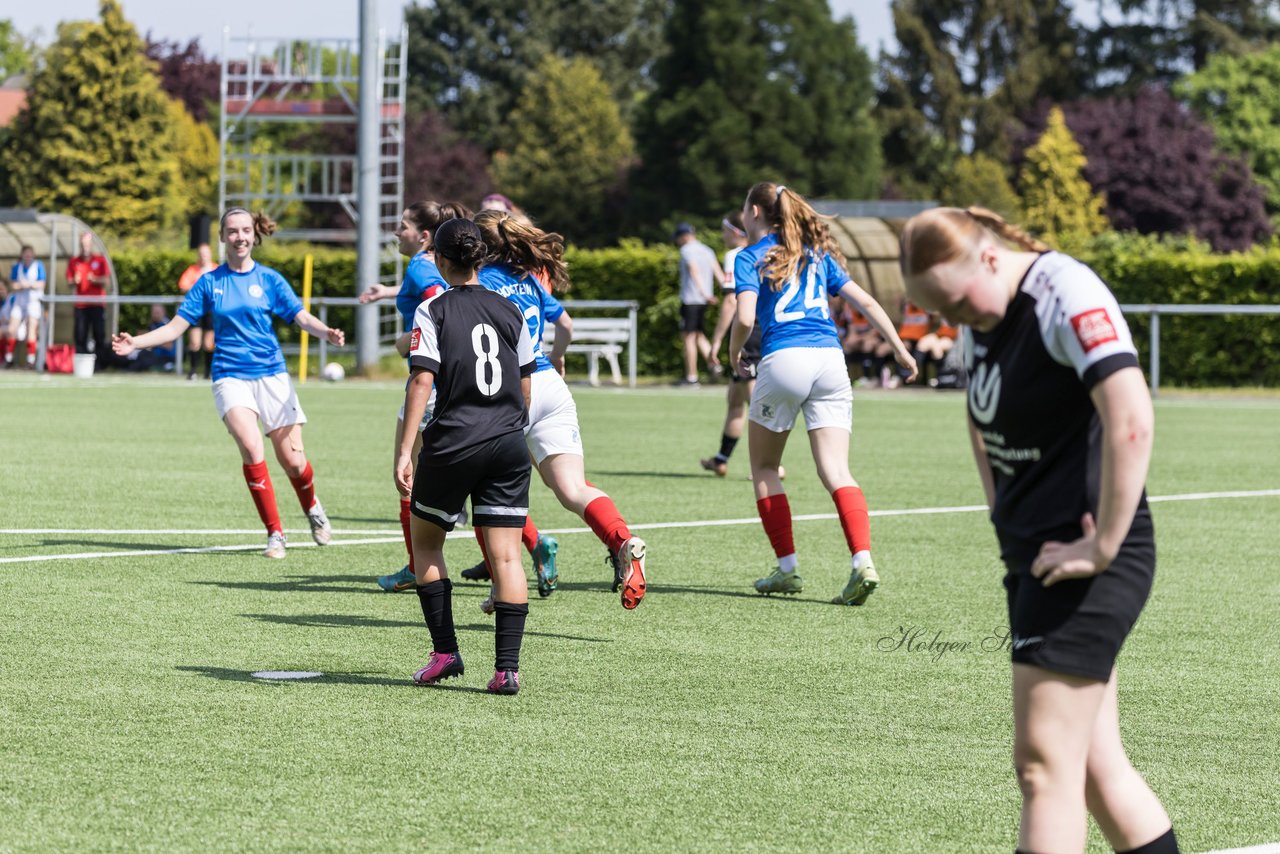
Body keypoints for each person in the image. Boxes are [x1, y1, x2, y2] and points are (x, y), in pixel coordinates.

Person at [900, 206, 1178, 854]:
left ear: (990, 258)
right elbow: (980, 419)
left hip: (1083, 558)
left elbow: (1131, 417)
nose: (954, 321)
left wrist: (1104, 543)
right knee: (1093, 769)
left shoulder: (1064, 292)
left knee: (1041, 765)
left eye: (956, 301)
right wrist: (1002, 512)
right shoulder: (984, 311)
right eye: (940, 311)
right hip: (1035, 553)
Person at [112, 209, 345, 559]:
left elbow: (300, 316)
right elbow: (176, 326)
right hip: (229, 375)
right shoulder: (209, 283)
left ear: (254, 235)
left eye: (246, 230)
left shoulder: (269, 280)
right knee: (252, 447)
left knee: (293, 461)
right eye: (232, 231)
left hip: (272, 375)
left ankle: (312, 507)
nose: (240, 237)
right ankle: (275, 534)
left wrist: (324, 332)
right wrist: (137, 342)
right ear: (222, 237)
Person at [728, 182, 917, 604]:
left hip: (784, 360)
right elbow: (865, 300)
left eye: (744, 209)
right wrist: (900, 349)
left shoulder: (749, 256)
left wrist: (733, 350)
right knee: (837, 471)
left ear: (756, 211)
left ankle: (788, 569)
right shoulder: (818, 254)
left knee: (763, 467)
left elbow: (743, 314)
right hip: (831, 362)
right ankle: (862, 562)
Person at [359, 202, 558, 595]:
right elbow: (525, 380)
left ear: (428, 240)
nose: (397, 233)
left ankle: (417, 565)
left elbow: (436, 300)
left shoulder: (425, 276)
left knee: (411, 479)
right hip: (502, 422)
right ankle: (530, 550)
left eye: (402, 226)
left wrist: (405, 340)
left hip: (441, 389)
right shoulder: (505, 306)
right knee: (494, 503)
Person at [473, 209, 648, 610]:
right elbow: (565, 324)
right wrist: (557, 356)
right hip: (549, 382)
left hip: (509, 390)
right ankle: (623, 541)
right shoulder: (529, 280)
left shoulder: (481, 282)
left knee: (484, 490)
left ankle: (503, 585)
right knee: (573, 489)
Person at [395, 217, 538, 695]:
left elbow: (421, 380)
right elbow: (525, 382)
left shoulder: (432, 309)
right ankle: (507, 670)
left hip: (455, 441)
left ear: (437, 258)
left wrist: (404, 449)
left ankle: (445, 654)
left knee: (428, 543)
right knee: (507, 557)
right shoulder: (509, 308)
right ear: (481, 257)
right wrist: (513, 428)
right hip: (508, 442)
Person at [701, 212, 778, 478]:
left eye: (725, 230)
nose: (722, 236)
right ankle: (721, 458)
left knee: (755, 402)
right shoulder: (770, 251)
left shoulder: (736, 256)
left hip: (749, 332)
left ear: (737, 231)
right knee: (735, 399)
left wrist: (717, 340)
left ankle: (771, 465)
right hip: (761, 328)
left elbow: (732, 302)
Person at [674, 223, 722, 386]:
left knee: (688, 337)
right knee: (698, 334)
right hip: (703, 301)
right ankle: (714, 364)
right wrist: (728, 291)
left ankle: (691, 377)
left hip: (691, 299)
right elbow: (718, 272)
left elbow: (693, 271)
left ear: (684, 236)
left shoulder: (686, 250)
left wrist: (704, 293)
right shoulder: (707, 250)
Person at [67, 232, 111, 368]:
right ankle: (82, 365)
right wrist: (74, 281)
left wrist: (95, 279)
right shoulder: (74, 261)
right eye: (82, 243)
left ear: (91, 245)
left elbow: (107, 281)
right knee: (80, 335)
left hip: (97, 304)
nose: (85, 246)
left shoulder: (100, 260)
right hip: (81, 305)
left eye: (87, 243)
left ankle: (100, 365)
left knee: (99, 335)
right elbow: (69, 282)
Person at [177, 243, 217, 380]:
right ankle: (192, 371)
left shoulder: (216, 269)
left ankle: (208, 371)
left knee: (209, 343)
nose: (203, 257)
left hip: (211, 310)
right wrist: (199, 290)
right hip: (196, 309)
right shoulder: (193, 270)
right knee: (195, 342)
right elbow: (183, 286)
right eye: (201, 254)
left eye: (206, 254)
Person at [7, 245, 45, 368]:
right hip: (20, 301)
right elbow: (13, 285)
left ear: (33, 255)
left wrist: (28, 284)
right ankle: (9, 358)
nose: (28, 256)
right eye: (25, 254)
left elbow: (41, 283)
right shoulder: (17, 267)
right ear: (22, 255)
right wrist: (20, 285)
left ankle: (31, 359)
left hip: (33, 301)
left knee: (31, 327)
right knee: (12, 329)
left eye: (30, 254)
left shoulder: (38, 266)